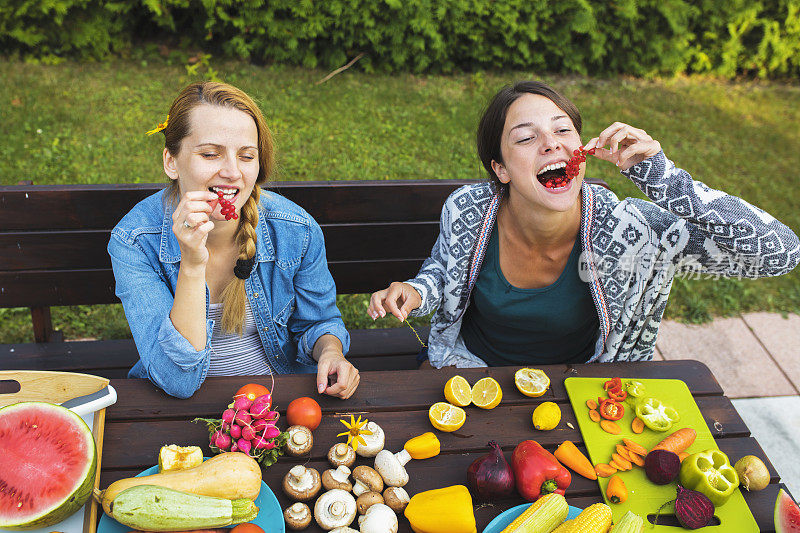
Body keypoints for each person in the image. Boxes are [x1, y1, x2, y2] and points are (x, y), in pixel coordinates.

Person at [368, 80, 799, 368]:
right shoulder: (468, 209)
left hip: (586, 392)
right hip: (474, 375)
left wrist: (664, 178)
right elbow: (444, 274)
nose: (552, 142)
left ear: (581, 148)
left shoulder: (630, 229)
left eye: (563, 130)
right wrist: (417, 292)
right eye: (525, 137)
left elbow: (781, 252)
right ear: (500, 168)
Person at [109, 81, 359, 398]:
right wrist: (191, 264)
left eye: (246, 156)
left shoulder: (296, 229)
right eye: (211, 154)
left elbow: (318, 323)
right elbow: (177, 381)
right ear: (171, 161)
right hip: (180, 408)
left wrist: (330, 352)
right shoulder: (134, 240)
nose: (232, 172)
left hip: (275, 398)